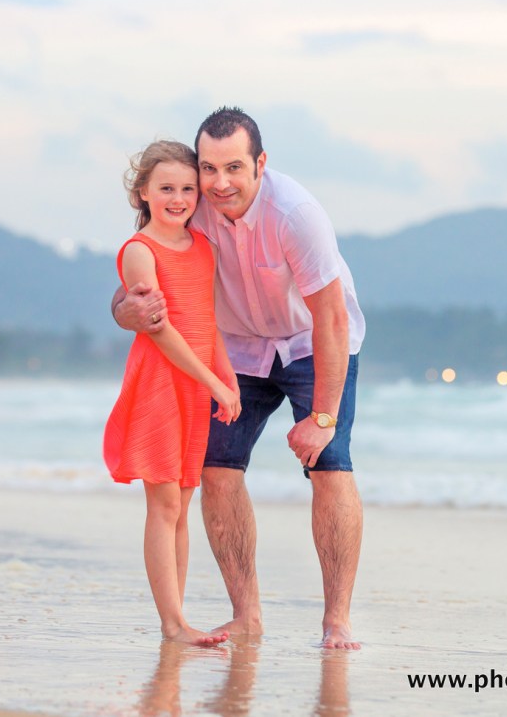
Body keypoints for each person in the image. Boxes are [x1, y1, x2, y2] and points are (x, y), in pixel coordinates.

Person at [112, 107, 366, 650]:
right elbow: (140, 279)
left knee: (331, 465)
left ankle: (336, 620)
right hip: (237, 352)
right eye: (209, 168)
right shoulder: (193, 203)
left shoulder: (295, 213)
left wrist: (322, 418)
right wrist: (126, 310)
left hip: (308, 342)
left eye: (234, 168)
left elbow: (332, 317)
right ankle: (246, 615)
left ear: (260, 164)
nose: (219, 183)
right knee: (217, 470)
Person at [103, 140, 241, 646]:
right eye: (166, 188)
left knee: (181, 505)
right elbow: (160, 330)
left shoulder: (202, 246)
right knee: (162, 505)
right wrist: (210, 381)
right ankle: (173, 623)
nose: (179, 198)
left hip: (197, 385)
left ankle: (179, 618)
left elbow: (209, 322)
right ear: (143, 192)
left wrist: (226, 379)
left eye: (187, 188)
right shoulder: (140, 251)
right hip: (161, 383)